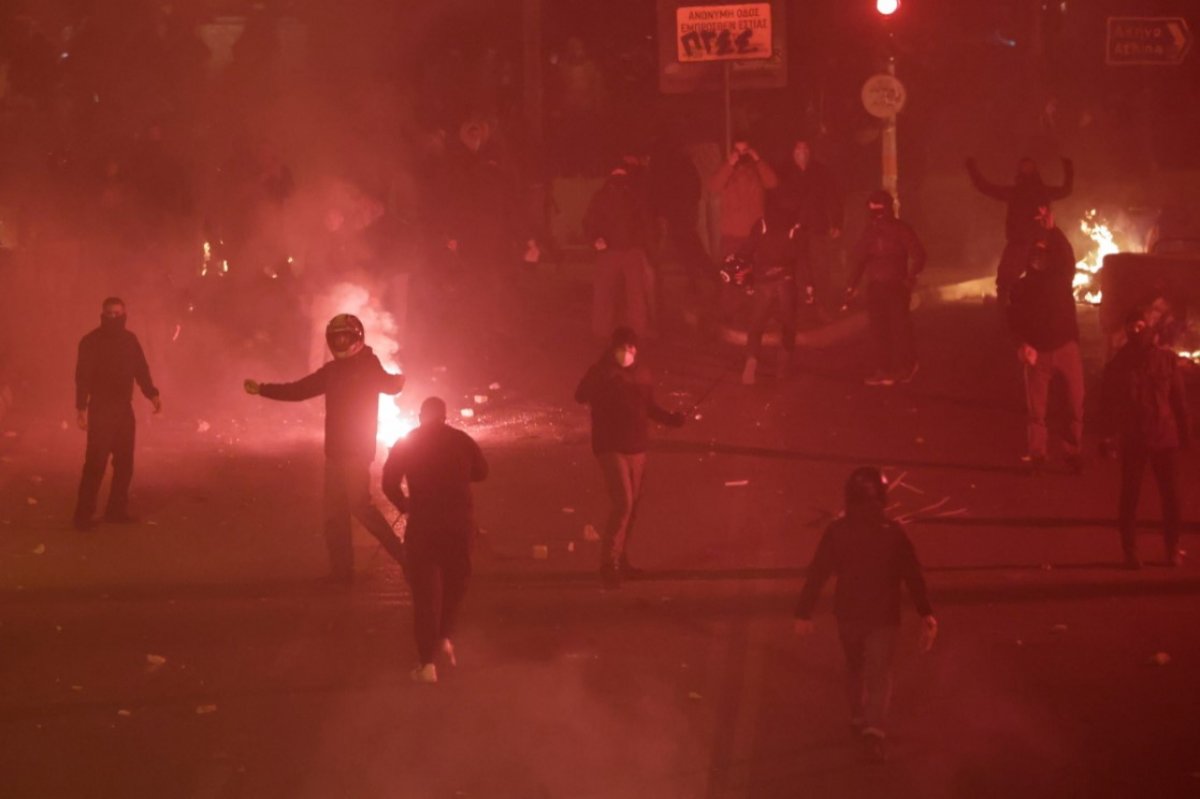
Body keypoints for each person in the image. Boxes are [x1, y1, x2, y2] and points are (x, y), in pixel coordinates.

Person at [244, 314, 407, 584]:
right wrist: (263, 389)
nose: (341, 342)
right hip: (335, 453)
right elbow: (299, 390)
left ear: (357, 338)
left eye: (346, 337)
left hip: (356, 452)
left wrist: (397, 381)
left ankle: (404, 557)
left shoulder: (368, 365)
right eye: (337, 338)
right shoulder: (332, 371)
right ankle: (342, 573)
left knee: (359, 506)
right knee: (334, 516)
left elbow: (388, 384)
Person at [794, 467, 937, 763]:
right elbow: (912, 574)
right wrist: (926, 612)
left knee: (854, 665)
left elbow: (818, 572)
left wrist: (803, 611)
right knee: (880, 672)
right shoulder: (894, 532)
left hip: (848, 613)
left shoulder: (837, 531)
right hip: (883, 615)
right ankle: (875, 729)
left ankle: (857, 716)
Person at [383, 397, 488, 683]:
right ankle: (445, 636)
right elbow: (482, 472)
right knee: (456, 583)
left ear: (420, 417)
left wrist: (404, 503)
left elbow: (388, 481)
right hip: (459, 525)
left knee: (425, 595)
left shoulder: (408, 441)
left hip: (424, 526)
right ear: (444, 416)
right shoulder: (462, 440)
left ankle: (427, 663)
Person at [574, 327, 686, 588]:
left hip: (637, 447)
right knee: (623, 503)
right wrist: (602, 383)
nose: (628, 353)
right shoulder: (600, 372)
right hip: (610, 446)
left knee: (632, 506)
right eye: (623, 348)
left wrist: (672, 419)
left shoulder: (642, 373)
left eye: (633, 348)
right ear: (613, 348)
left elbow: (649, 407)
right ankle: (608, 564)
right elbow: (579, 395)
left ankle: (621, 558)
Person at [1101, 312, 1191, 569]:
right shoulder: (1119, 364)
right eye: (1133, 326)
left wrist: (1185, 435)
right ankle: (1131, 552)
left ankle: (1171, 549)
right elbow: (1109, 404)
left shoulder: (1165, 360)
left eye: (1141, 326)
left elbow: (1178, 401)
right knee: (1131, 496)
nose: (1137, 331)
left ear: (1150, 329)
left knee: (1171, 497)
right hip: (1135, 437)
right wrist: (1109, 437)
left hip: (1163, 436)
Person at [73, 297, 162, 530]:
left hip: (124, 408)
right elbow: (82, 377)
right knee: (95, 463)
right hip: (100, 409)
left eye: (117, 313)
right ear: (103, 314)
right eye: (109, 314)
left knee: (124, 463)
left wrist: (151, 393)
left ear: (124, 314)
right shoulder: (91, 342)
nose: (113, 317)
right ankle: (83, 515)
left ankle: (116, 510)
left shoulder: (130, 341)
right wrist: (81, 407)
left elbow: (141, 369)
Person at [1007, 205, 1084, 472]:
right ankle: (1037, 454)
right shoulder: (1022, 287)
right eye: (1035, 253)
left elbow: (1067, 257)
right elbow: (1012, 320)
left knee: (1075, 403)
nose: (1039, 258)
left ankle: (1072, 451)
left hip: (1066, 347)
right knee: (1037, 411)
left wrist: (1053, 230)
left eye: (1044, 253)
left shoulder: (1061, 277)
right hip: (1037, 352)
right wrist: (1022, 345)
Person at [846, 190, 926, 386]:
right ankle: (884, 370)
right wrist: (851, 285)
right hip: (876, 287)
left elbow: (918, 254)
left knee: (900, 328)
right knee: (879, 330)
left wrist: (909, 278)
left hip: (896, 285)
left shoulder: (901, 229)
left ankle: (906, 367)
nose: (876, 215)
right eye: (872, 210)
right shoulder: (870, 232)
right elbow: (860, 259)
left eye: (878, 210)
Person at [965, 156, 1073, 301]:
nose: (1027, 169)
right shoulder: (1014, 192)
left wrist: (1068, 167)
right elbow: (985, 187)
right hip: (1018, 242)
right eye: (1024, 167)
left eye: (1030, 166)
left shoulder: (1043, 192)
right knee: (1005, 280)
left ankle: (1040, 308)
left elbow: (1066, 190)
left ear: (1035, 170)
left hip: (1040, 243)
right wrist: (972, 168)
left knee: (1045, 279)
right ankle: (1004, 310)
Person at [733, 203, 809, 385]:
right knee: (788, 325)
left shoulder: (762, 224)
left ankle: (751, 363)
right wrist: (809, 285)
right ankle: (782, 371)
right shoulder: (795, 227)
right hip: (786, 280)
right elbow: (803, 258)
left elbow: (747, 250)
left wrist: (738, 263)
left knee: (756, 325)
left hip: (764, 279)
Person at [582, 164, 657, 338]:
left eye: (622, 173)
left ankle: (636, 330)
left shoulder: (634, 195)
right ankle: (602, 331)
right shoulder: (602, 197)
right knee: (606, 292)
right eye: (616, 173)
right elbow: (589, 223)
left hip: (631, 251)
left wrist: (644, 247)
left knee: (633, 293)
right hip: (610, 251)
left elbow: (646, 223)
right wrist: (595, 239)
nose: (619, 177)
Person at [776, 139, 843, 312]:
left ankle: (823, 305)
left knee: (820, 266)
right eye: (798, 148)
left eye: (805, 148)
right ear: (793, 152)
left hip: (816, 227)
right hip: (793, 229)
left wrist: (836, 222)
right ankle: (798, 305)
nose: (802, 151)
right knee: (796, 268)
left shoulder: (821, 172)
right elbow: (777, 201)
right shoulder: (784, 173)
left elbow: (833, 197)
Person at [708, 140, 779, 259]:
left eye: (745, 151)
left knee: (754, 274)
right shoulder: (726, 171)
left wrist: (758, 161)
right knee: (730, 274)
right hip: (731, 236)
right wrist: (729, 164)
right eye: (737, 151)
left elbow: (772, 183)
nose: (741, 155)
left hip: (754, 236)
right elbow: (713, 187)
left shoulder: (757, 170)